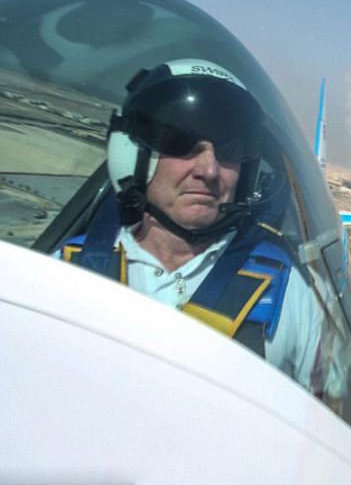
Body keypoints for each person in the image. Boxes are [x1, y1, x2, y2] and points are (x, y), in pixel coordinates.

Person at [60, 59, 322, 391]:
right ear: (134, 154)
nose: (209, 171)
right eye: (181, 143)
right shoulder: (63, 272)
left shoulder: (294, 297)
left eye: (229, 150)